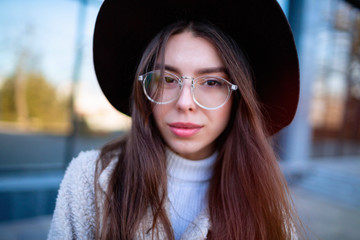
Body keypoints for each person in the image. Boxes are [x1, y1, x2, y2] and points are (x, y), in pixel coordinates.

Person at [48, 0, 302, 239]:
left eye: (212, 82)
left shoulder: (263, 194)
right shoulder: (90, 180)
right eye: (168, 79)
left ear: (239, 96)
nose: (184, 103)